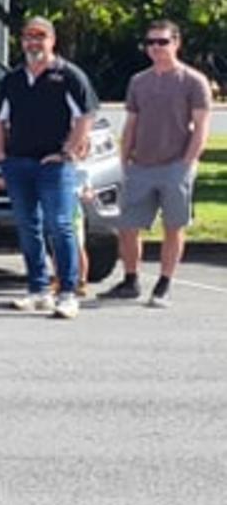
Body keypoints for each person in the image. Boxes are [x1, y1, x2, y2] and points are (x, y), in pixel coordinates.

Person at [0, 17, 101, 319]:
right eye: (28, 37)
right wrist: (2, 156)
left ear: (52, 40)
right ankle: (37, 289)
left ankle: (67, 292)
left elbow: (86, 117)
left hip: (54, 166)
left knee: (60, 225)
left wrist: (67, 151)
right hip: (19, 163)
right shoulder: (12, 80)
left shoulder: (68, 76)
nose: (34, 43)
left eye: (40, 36)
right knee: (28, 227)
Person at [103, 19, 211, 307]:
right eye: (150, 42)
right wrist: (123, 160)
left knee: (173, 226)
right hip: (141, 164)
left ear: (176, 43)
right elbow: (131, 124)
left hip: (175, 164)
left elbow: (201, 127)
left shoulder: (193, 81)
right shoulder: (139, 81)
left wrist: (187, 163)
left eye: (162, 42)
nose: (155, 48)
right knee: (128, 225)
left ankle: (164, 284)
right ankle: (130, 279)